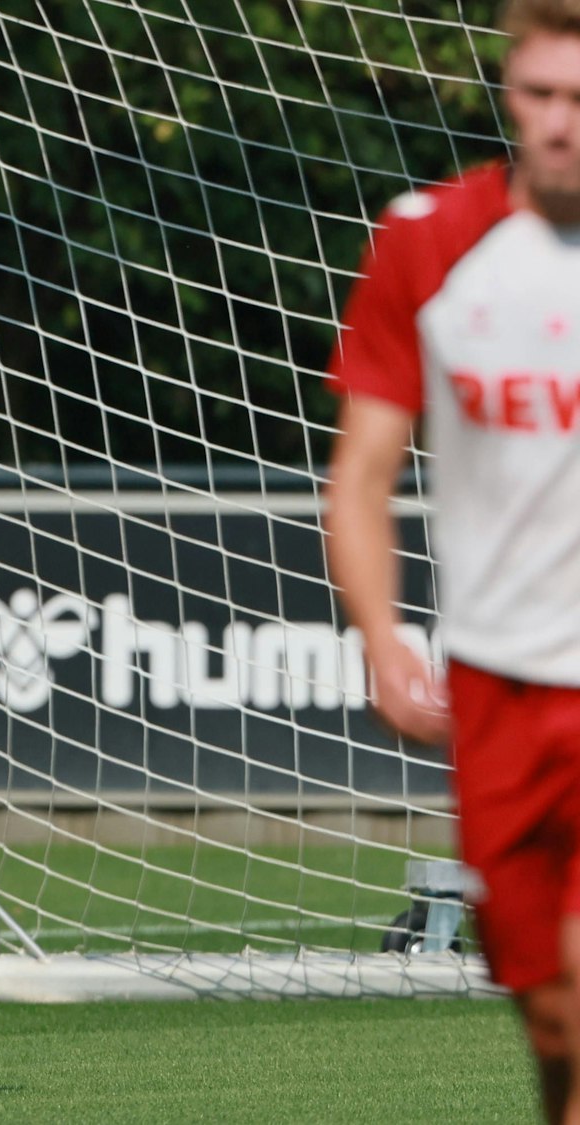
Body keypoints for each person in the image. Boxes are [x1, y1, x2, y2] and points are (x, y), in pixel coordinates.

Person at [325, 3, 580, 1121]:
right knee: (550, 1002)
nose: (561, 125)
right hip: (495, 679)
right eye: (538, 96)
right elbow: (361, 478)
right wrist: (381, 640)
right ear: (505, 97)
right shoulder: (428, 241)